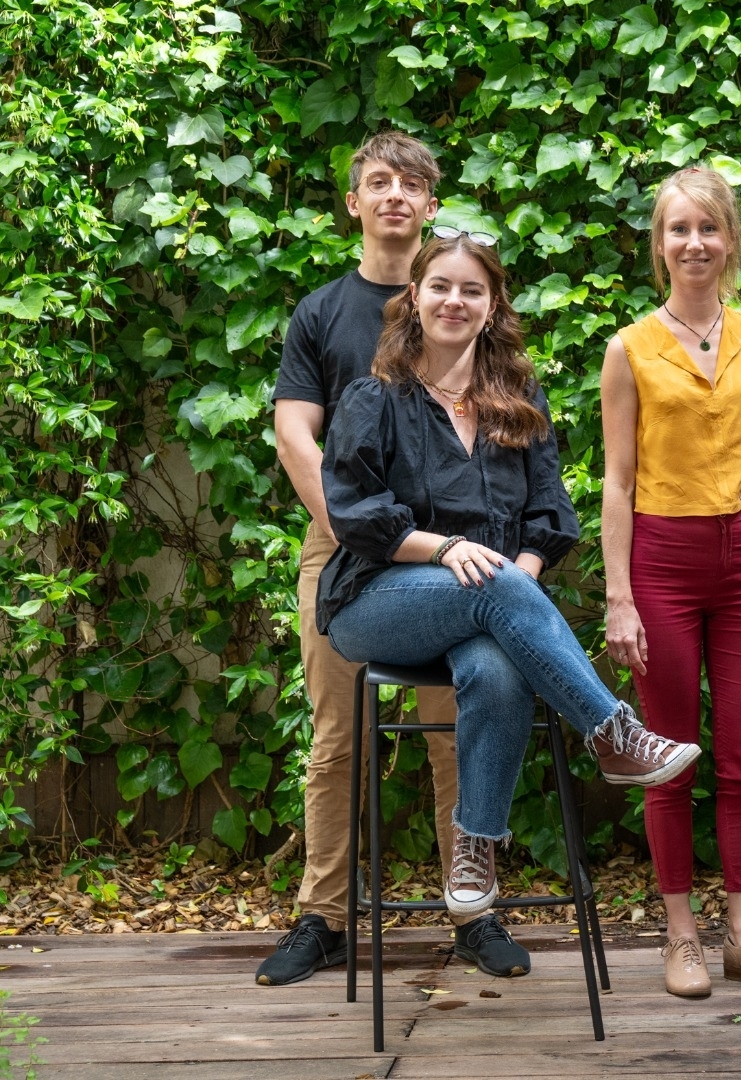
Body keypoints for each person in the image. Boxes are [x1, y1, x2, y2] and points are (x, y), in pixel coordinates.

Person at [317, 232, 702, 927]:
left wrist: (516, 579)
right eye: (440, 287)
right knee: (491, 588)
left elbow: (548, 514)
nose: (454, 301)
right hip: (376, 598)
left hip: (488, 601)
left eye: (472, 290)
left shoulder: (518, 400)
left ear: (492, 306)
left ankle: (475, 843)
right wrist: (445, 550)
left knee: (495, 668)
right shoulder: (373, 398)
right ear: (414, 296)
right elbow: (355, 514)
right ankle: (613, 734)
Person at [261, 131, 494, 984]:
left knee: (456, 735)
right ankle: (322, 918)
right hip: (341, 548)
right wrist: (357, 526)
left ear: (431, 205)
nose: (395, 194)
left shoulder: (461, 299)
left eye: (412, 184)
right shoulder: (321, 312)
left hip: (450, 552)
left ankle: (472, 915)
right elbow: (295, 433)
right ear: (355, 202)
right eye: (379, 182)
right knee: (336, 739)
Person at [600, 166, 741, 998]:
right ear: (659, 245)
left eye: (707, 228)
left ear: (730, 240)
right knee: (668, 758)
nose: (693, 243)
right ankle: (681, 938)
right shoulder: (628, 348)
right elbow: (616, 482)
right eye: (678, 229)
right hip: (660, 561)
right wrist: (619, 598)